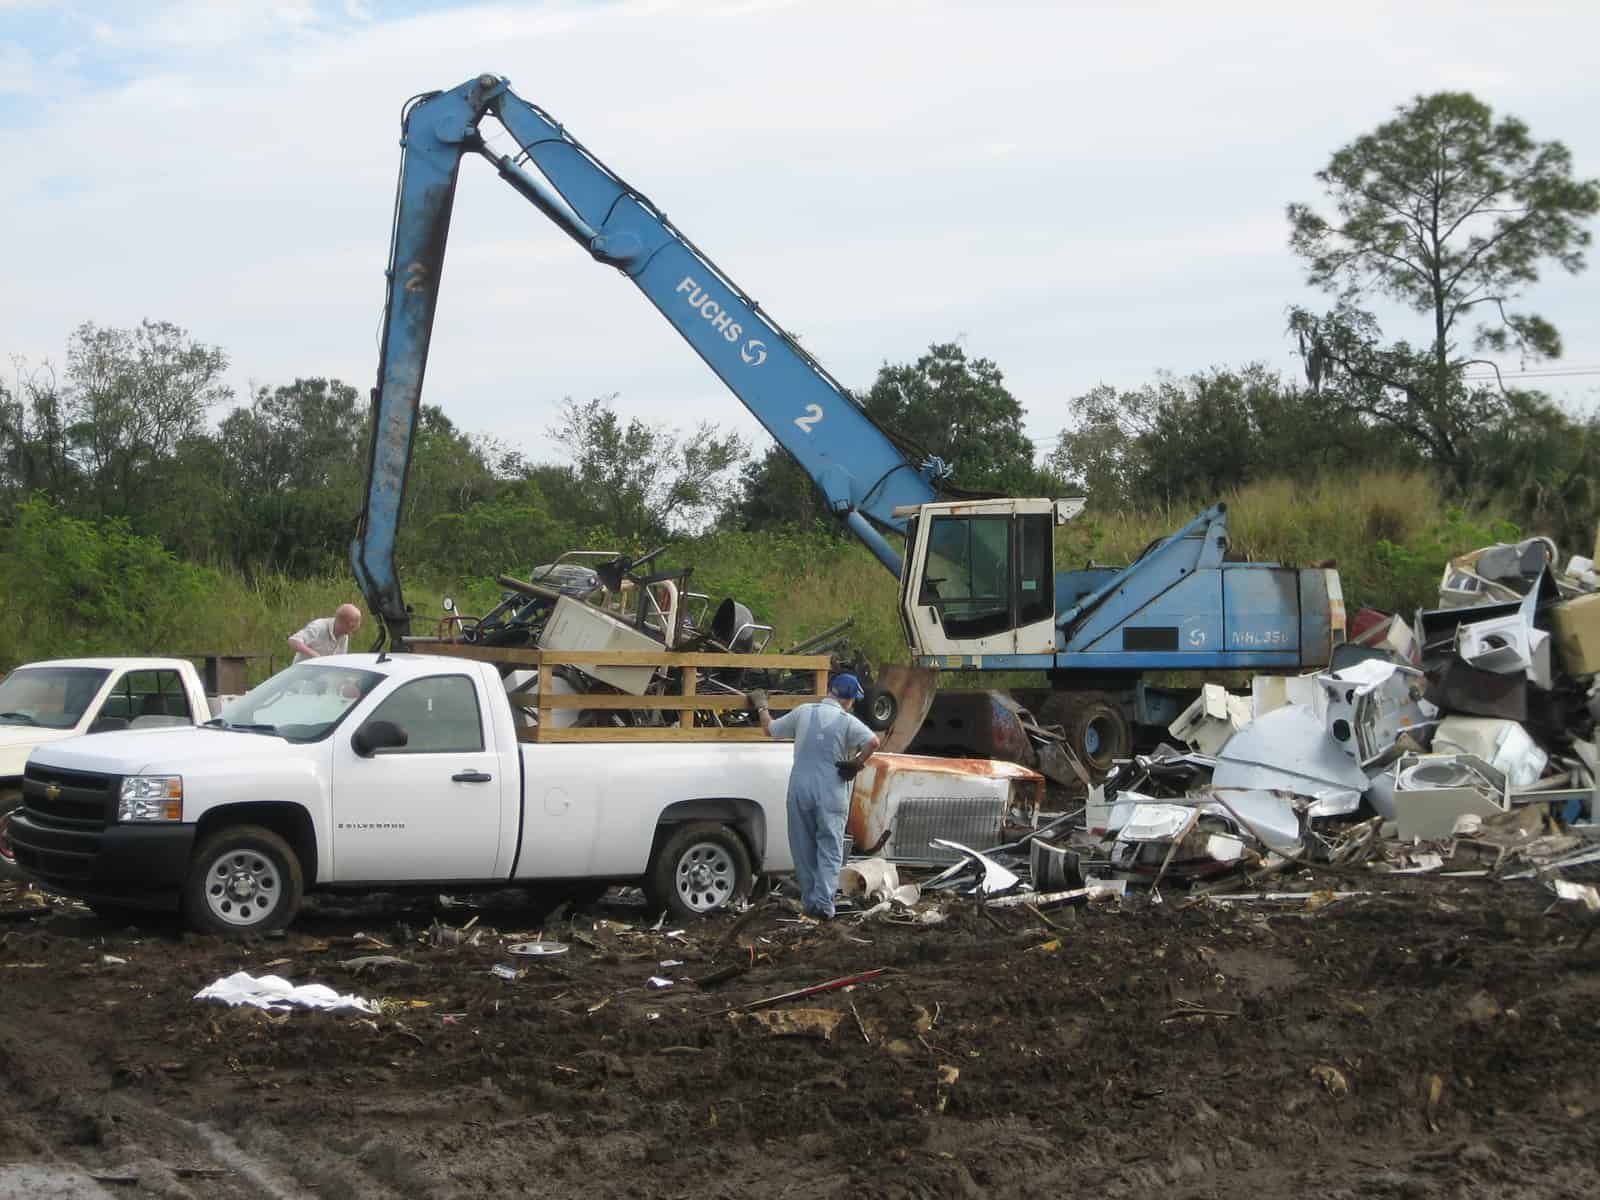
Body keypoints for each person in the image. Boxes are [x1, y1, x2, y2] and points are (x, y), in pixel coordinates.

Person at [749, 674, 881, 920]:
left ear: (831, 692)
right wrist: (857, 762)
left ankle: (810, 905)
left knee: (803, 849)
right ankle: (823, 907)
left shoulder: (804, 712)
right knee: (829, 849)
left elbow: (770, 729)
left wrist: (761, 705)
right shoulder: (846, 721)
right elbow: (873, 741)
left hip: (800, 791)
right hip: (831, 793)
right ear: (849, 700)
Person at [288, 604, 363, 664]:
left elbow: (340, 660)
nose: (350, 633)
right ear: (340, 621)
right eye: (350, 627)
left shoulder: (344, 635)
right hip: (302, 675)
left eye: (353, 629)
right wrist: (316, 656)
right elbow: (293, 641)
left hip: (322, 677)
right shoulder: (318, 626)